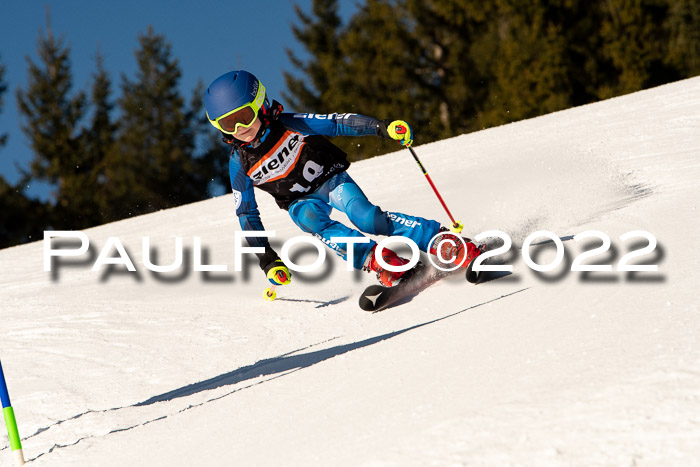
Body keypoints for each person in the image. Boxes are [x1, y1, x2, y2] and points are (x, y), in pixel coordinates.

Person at [204, 70, 481, 288]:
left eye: (244, 117)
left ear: (261, 104)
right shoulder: (239, 164)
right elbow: (246, 213)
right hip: (300, 201)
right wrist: (267, 260)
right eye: (229, 124)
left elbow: (337, 122)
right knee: (309, 219)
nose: (241, 129)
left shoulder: (290, 124)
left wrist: (381, 128)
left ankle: (443, 241)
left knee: (366, 218)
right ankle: (381, 261)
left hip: (331, 180)